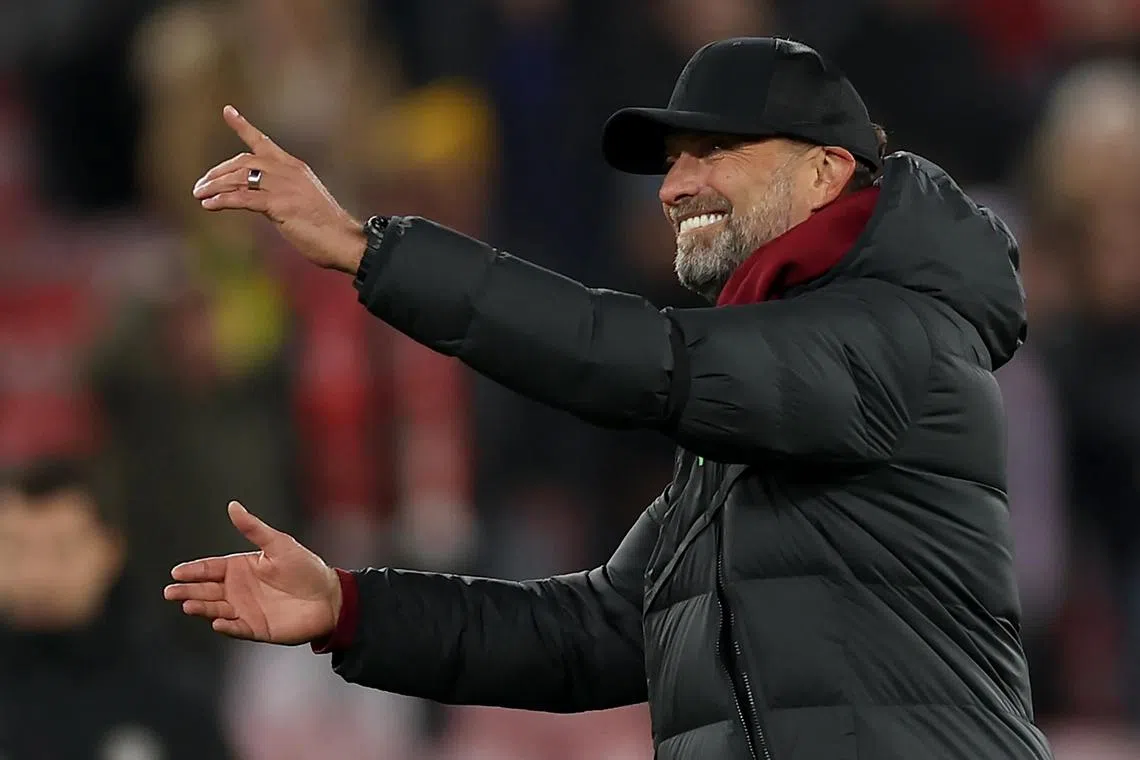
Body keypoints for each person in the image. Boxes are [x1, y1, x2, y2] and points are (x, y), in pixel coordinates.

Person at [165, 37, 1054, 759]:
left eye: (715, 151)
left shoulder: (899, 338)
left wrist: (371, 253)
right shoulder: (758, 400)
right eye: (673, 161)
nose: (673, 186)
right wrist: (350, 608)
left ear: (825, 172)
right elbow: (589, 634)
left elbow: (636, 358)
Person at [0, 457, 233, 760]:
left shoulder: (170, 697)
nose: (37, 574)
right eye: (15, 549)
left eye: (62, 549)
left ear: (110, 550)